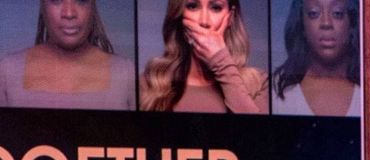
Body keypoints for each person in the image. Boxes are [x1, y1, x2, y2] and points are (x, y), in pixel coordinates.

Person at [0, 0, 135, 109]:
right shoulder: (8, 71)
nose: (69, 13)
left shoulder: (125, 73)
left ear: (92, 6)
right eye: (57, 1)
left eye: (81, 1)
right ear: (43, 6)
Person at [140, 0, 267, 113]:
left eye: (216, 7)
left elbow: (260, 136)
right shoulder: (150, 84)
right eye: (192, 6)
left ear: (230, 17)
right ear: (179, 15)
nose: (204, 22)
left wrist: (221, 63)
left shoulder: (258, 83)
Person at [271, 0, 360, 116]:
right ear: (301, 24)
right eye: (314, 13)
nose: (326, 23)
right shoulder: (275, 91)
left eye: (337, 13)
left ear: (351, 23)